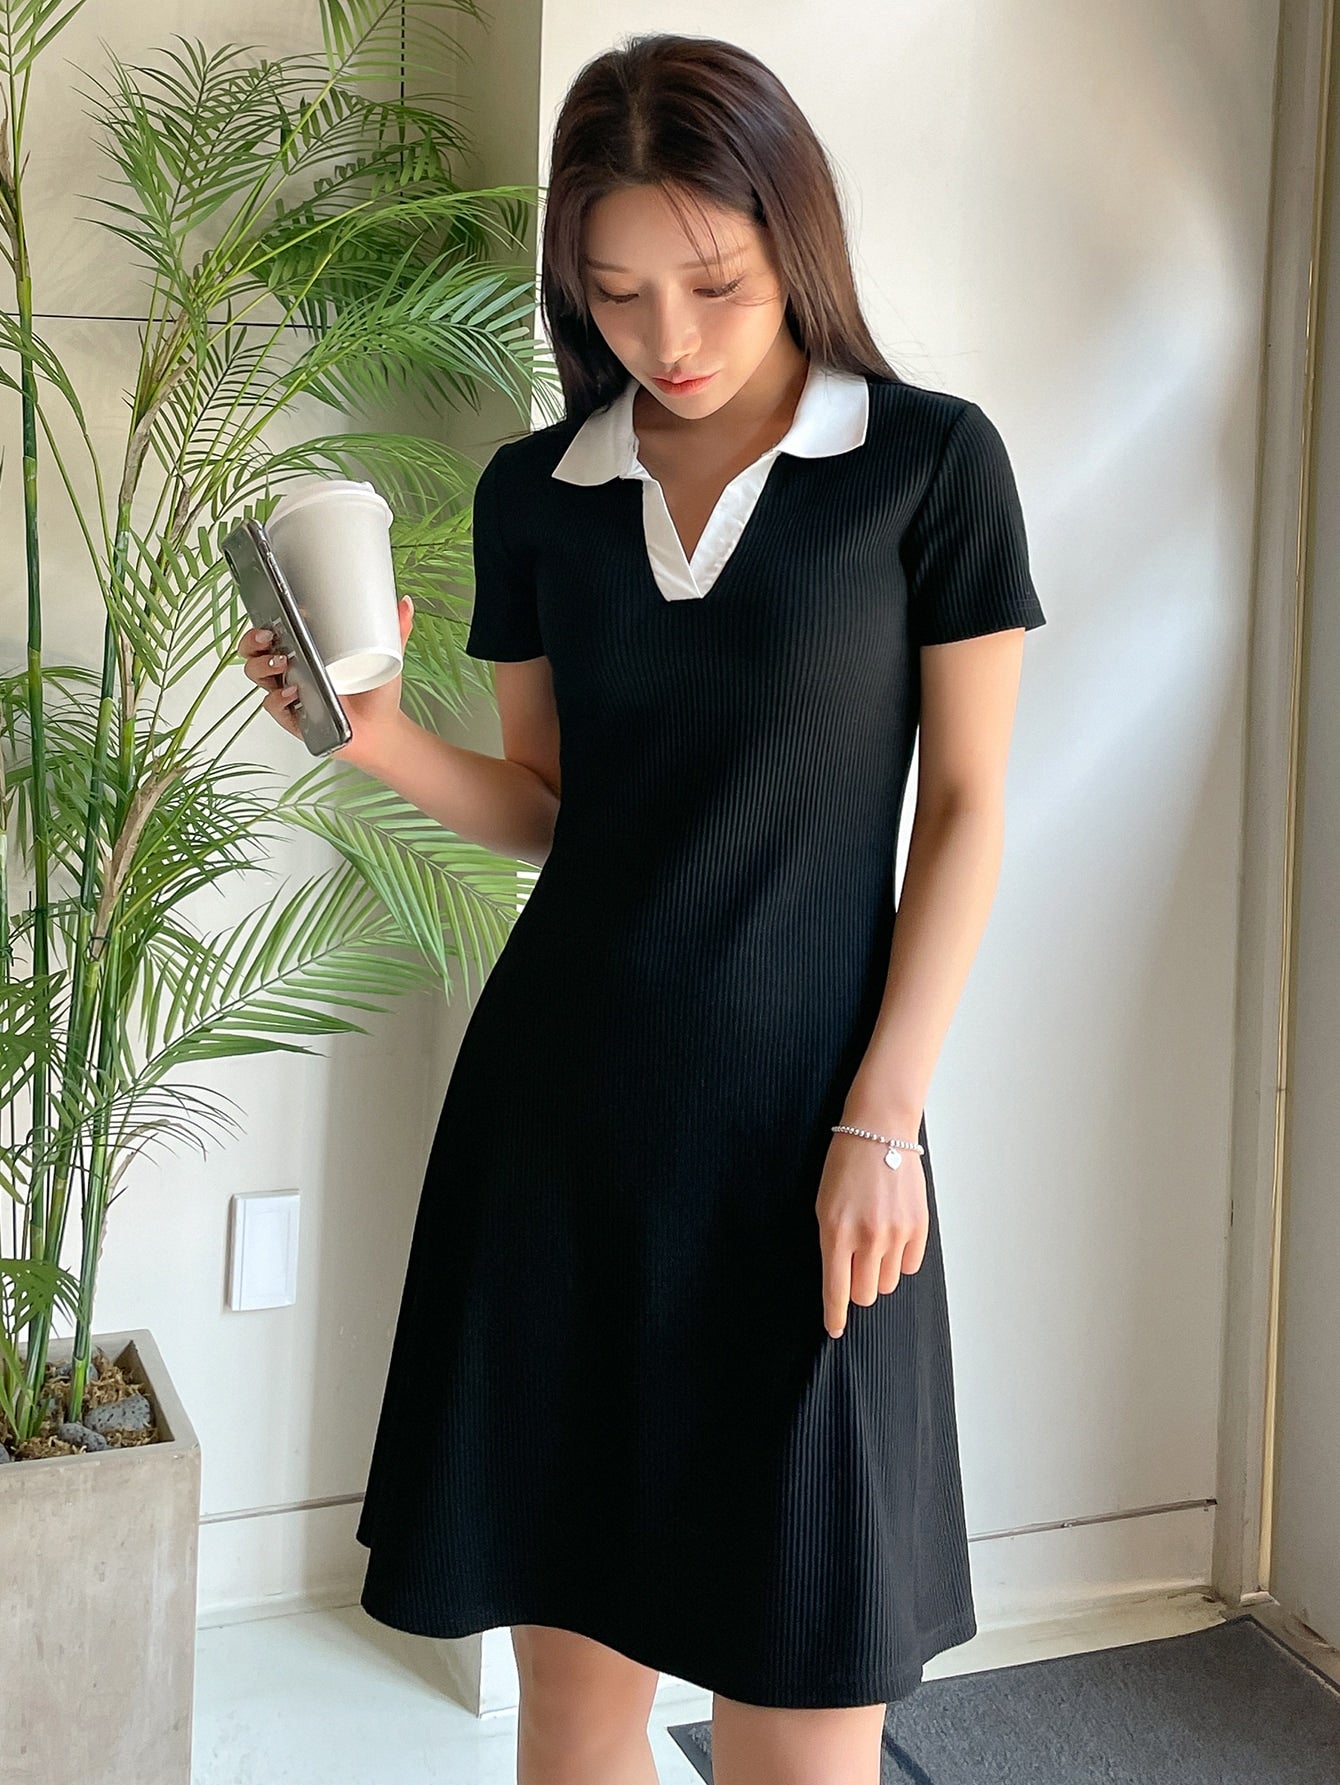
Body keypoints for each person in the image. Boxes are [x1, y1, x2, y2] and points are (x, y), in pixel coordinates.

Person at [237, 31, 1045, 1785]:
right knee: (577, 1710)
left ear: (793, 240)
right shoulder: (541, 495)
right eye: (616, 296)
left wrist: (886, 1115)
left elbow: (971, 810)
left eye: (714, 283)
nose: (667, 337)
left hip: (817, 1146)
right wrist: (374, 738)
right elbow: (550, 808)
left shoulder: (927, 465)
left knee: (807, 1708)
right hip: (565, 1137)